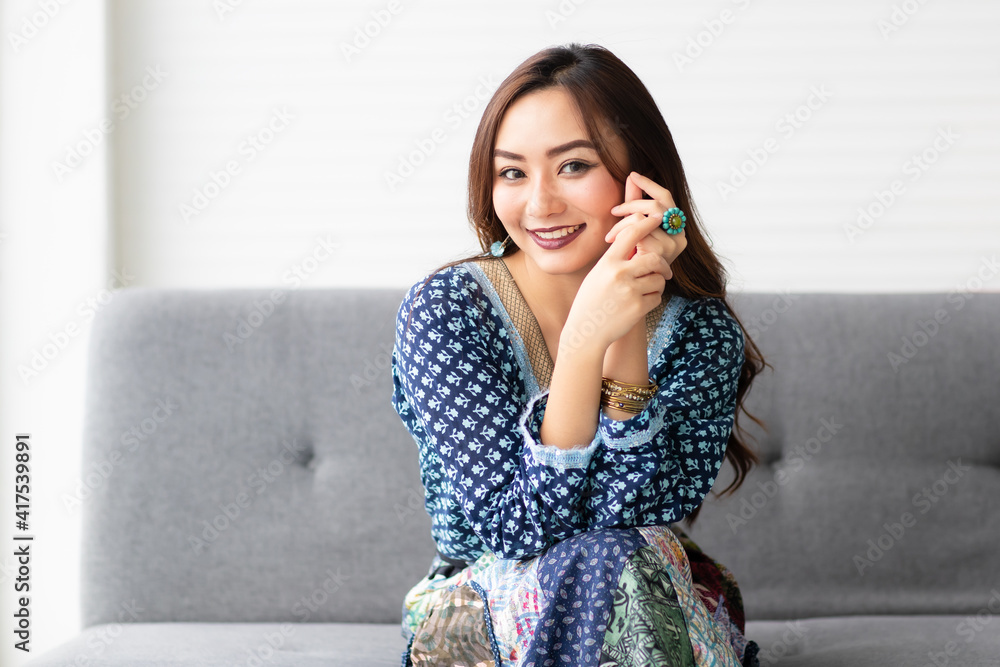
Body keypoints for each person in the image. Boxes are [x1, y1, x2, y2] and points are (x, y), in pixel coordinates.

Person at [390, 42, 766, 667]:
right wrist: (585, 340)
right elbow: (514, 530)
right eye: (512, 172)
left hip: (646, 596)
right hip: (480, 615)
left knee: (616, 555)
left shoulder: (703, 334)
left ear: (639, 175)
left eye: (572, 167)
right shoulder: (448, 312)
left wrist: (628, 331)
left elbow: (636, 513)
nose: (539, 204)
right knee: (602, 560)